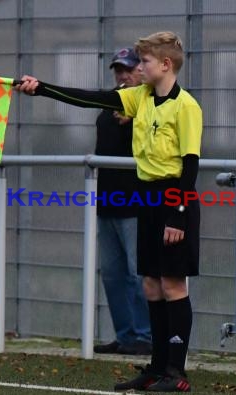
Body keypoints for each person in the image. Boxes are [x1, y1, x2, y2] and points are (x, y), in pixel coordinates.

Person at [17, 31, 202, 393]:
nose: (139, 67)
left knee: (172, 283)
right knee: (150, 283)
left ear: (165, 65)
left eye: (145, 62)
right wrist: (42, 88)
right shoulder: (139, 97)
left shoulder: (187, 107)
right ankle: (156, 366)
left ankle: (176, 372)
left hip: (173, 198)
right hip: (145, 196)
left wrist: (178, 213)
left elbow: (190, 164)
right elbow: (91, 98)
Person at [93, 48, 152, 356]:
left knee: (140, 273)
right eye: (118, 70)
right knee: (113, 273)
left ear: (142, 70)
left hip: (137, 202)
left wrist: (136, 119)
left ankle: (146, 336)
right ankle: (126, 335)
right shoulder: (109, 101)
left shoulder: (151, 102)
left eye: (128, 69)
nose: (122, 75)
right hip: (107, 201)